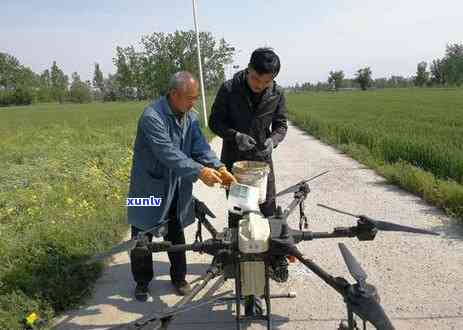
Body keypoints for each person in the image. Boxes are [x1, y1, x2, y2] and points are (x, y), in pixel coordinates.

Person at [127, 71, 236, 301]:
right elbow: (168, 153)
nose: (193, 102)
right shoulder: (151, 116)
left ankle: (179, 277)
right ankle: (142, 281)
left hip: (176, 185)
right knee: (141, 235)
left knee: (176, 231)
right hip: (147, 187)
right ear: (174, 94)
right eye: (190, 98)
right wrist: (200, 171)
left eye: (196, 97)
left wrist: (219, 166)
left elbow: (200, 147)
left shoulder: (190, 117)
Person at [209, 48, 289, 315]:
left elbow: (281, 125)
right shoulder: (230, 89)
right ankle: (240, 271)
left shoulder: (276, 93)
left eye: (266, 82)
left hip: (263, 164)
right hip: (236, 164)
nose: (260, 86)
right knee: (239, 215)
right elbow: (214, 122)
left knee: (267, 213)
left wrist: (273, 141)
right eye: (256, 79)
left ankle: (272, 262)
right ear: (248, 70)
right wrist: (235, 136)